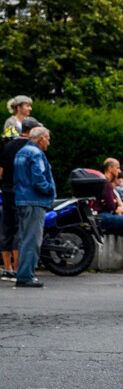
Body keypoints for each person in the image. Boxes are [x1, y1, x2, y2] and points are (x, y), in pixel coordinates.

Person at [12, 126, 55, 288]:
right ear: (41, 138)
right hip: (35, 201)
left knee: (24, 239)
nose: (48, 143)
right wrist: (49, 189)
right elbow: (39, 178)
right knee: (33, 240)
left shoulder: (21, 152)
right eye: (48, 139)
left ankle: (23, 274)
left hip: (22, 200)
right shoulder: (36, 153)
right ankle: (26, 276)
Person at [0, 117, 40, 279]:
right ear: (31, 131)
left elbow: (1, 172)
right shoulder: (30, 147)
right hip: (21, 193)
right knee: (19, 229)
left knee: (6, 228)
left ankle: (7, 268)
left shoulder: (8, 146)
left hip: (6, 191)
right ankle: (17, 268)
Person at [93, 157, 123, 273]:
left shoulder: (102, 182)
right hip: (103, 217)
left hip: (102, 216)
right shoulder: (106, 183)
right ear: (110, 169)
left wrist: (114, 204)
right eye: (117, 168)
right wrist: (115, 205)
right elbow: (111, 206)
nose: (119, 171)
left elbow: (110, 203)